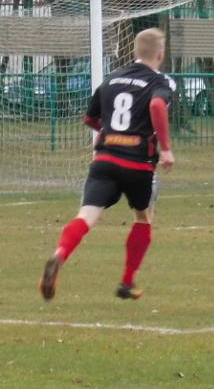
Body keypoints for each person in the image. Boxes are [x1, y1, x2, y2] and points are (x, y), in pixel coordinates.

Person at [39, 28, 176, 301]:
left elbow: (90, 119)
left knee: (86, 217)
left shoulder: (111, 79)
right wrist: (167, 150)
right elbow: (157, 106)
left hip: (105, 159)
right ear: (160, 55)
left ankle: (59, 254)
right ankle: (126, 282)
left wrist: (106, 131)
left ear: (135, 52)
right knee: (143, 217)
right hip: (138, 163)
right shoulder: (161, 81)